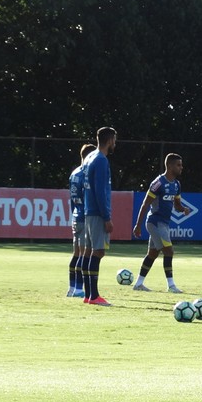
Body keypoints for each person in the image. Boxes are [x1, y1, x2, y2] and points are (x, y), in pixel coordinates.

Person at [131, 153, 189, 293]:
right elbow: (145, 204)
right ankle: (171, 286)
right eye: (178, 165)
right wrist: (138, 225)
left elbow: (177, 205)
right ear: (170, 166)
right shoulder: (158, 183)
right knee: (169, 251)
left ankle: (138, 284)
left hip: (164, 223)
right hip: (155, 222)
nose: (181, 167)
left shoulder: (176, 185)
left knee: (152, 253)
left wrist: (183, 209)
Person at [80, 127, 117, 306]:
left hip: (88, 211)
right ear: (109, 140)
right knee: (98, 251)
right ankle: (94, 296)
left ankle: (88, 295)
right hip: (97, 213)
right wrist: (106, 217)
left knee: (88, 251)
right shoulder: (101, 160)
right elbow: (100, 191)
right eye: (114, 140)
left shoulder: (89, 157)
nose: (115, 143)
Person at [67, 143, 96, 298]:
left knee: (76, 254)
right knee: (84, 255)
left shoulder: (74, 173)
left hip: (76, 216)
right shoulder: (86, 174)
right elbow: (88, 198)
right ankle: (78, 289)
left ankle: (71, 288)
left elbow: (72, 199)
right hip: (85, 218)